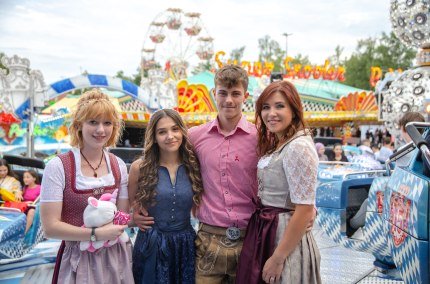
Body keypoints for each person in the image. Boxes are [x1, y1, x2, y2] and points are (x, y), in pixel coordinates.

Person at [40, 89, 133, 283]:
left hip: (115, 256)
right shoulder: (58, 166)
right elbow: (50, 227)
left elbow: (121, 217)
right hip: (77, 258)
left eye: (107, 123)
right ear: (79, 125)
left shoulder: (118, 165)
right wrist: (95, 234)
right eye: (93, 122)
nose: (101, 130)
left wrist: (138, 217)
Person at [236, 80, 321, 284]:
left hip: (283, 235)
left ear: (294, 109)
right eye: (266, 107)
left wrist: (278, 258)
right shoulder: (282, 142)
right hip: (268, 228)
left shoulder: (297, 146)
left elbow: (304, 209)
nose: (271, 113)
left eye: (279, 106)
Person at [186, 64, 259, 283]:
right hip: (208, 236)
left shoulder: (260, 138)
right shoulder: (195, 136)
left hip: (249, 236)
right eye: (223, 93)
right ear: (213, 93)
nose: (229, 100)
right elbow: (165, 166)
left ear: (245, 95)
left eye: (236, 94)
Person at [129, 109, 204, 284]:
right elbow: (127, 208)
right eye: (162, 132)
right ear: (154, 137)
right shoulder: (138, 167)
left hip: (185, 245)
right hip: (151, 244)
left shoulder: (193, 165)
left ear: (183, 132)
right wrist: (133, 218)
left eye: (175, 129)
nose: (170, 136)